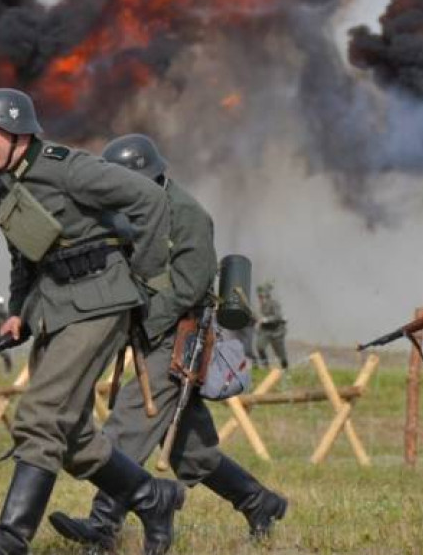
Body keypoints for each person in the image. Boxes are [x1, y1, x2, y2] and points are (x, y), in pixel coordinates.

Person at [0, 89, 184, 555]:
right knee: (72, 436)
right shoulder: (0, 183)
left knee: (40, 415)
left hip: (99, 304)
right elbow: (22, 251)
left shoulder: (67, 168)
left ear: (17, 132)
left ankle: (10, 539)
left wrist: (142, 280)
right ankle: (152, 498)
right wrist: (17, 308)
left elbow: (150, 204)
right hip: (53, 309)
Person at [48, 133, 287, 552]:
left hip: (175, 337)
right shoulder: (126, 213)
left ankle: (103, 526)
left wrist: (141, 324)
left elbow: (191, 285)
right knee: (193, 455)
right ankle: (259, 502)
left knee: (125, 424)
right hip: (146, 332)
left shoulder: (187, 214)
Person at [254, 281, 288, 369]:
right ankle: (265, 366)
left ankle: (285, 369)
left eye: (261, 296)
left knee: (280, 354)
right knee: (260, 347)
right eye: (259, 296)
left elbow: (278, 316)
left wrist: (265, 320)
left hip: (276, 332)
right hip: (266, 331)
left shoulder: (274, 304)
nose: (260, 298)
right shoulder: (261, 306)